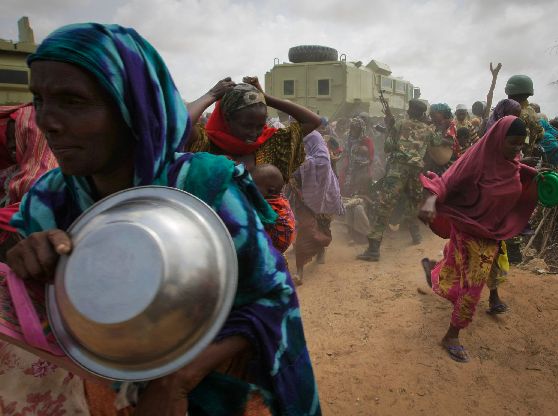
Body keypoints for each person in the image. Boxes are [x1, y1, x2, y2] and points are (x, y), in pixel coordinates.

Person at [5, 23, 320, 415]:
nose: (47, 120)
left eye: (73, 101)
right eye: (39, 100)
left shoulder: (206, 188)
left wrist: (179, 379)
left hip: (218, 393)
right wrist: (26, 261)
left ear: (131, 106)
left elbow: (274, 297)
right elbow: (44, 317)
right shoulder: (49, 198)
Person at [419, 116, 539, 363]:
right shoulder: (476, 161)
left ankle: (433, 268)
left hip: (494, 231)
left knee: (468, 265)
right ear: (498, 139)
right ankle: (452, 335)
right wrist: (430, 201)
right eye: (513, 143)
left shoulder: (511, 163)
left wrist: (537, 177)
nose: (518, 149)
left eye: (521, 143)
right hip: (470, 230)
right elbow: (446, 180)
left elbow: (517, 176)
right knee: (473, 284)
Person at [185, 77, 321, 182]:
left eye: (260, 126)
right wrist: (211, 95)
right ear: (227, 119)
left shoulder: (269, 144)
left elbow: (313, 121)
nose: (254, 133)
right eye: (247, 126)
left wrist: (266, 98)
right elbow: (180, 123)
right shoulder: (205, 143)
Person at [357, 99, 435, 261]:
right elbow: (435, 145)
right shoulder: (428, 130)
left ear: (409, 110)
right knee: (413, 203)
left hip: (397, 170)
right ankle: (416, 235)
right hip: (415, 172)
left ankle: (373, 250)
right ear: (422, 114)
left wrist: (391, 131)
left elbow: (388, 147)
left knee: (384, 206)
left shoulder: (400, 124)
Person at [0, 104, 57, 261]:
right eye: (9, 138)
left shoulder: (49, 183)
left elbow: (28, 212)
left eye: (18, 137)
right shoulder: (12, 171)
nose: (11, 144)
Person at [290, 131, 343, 285]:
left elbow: (326, 168)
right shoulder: (296, 152)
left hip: (325, 198)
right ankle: (299, 271)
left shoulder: (324, 155)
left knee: (323, 228)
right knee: (305, 230)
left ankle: (321, 250)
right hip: (302, 199)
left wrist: (304, 163)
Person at [252, 164, 296, 253]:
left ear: (270, 190)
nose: (250, 189)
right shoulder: (279, 196)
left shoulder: (269, 206)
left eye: (254, 188)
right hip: (285, 239)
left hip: (276, 245)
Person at [504, 75, 544, 157]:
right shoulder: (531, 110)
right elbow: (540, 133)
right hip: (528, 156)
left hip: (517, 158)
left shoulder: (518, 113)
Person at [339, 117, 374, 196]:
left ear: (361, 129)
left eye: (356, 128)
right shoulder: (348, 139)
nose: (354, 130)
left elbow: (371, 158)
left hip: (361, 169)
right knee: (343, 186)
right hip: (348, 168)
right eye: (353, 128)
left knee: (359, 191)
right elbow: (344, 151)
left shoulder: (367, 140)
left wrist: (364, 163)